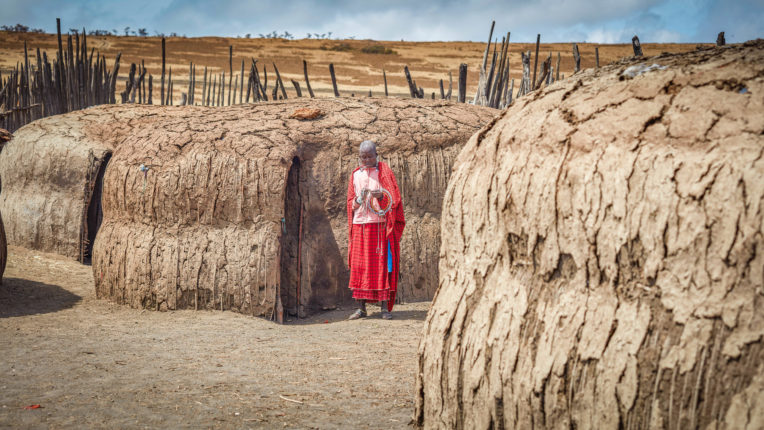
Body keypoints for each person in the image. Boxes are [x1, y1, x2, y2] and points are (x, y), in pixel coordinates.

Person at [346, 140, 405, 320]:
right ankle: (361, 308)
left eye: (370, 156)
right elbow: (349, 203)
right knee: (359, 267)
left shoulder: (384, 172)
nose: (366, 159)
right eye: (363, 157)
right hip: (360, 226)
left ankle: (384, 308)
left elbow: (393, 199)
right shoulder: (355, 175)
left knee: (382, 266)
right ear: (359, 157)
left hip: (379, 226)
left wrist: (381, 197)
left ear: (376, 155)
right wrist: (357, 200)